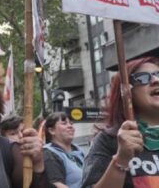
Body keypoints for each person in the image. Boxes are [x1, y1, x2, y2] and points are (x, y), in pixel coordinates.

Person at [81, 56, 159, 188]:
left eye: (158, 75)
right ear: (127, 92)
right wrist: (121, 160)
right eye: (143, 78)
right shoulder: (110, 140)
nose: (156, 80)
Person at [42, 112, 84, 188]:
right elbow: (57, 185)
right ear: (51, 130)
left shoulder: (80, 150)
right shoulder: (49, 153)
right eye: (64, 123)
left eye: (71, 123)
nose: (70, 126)